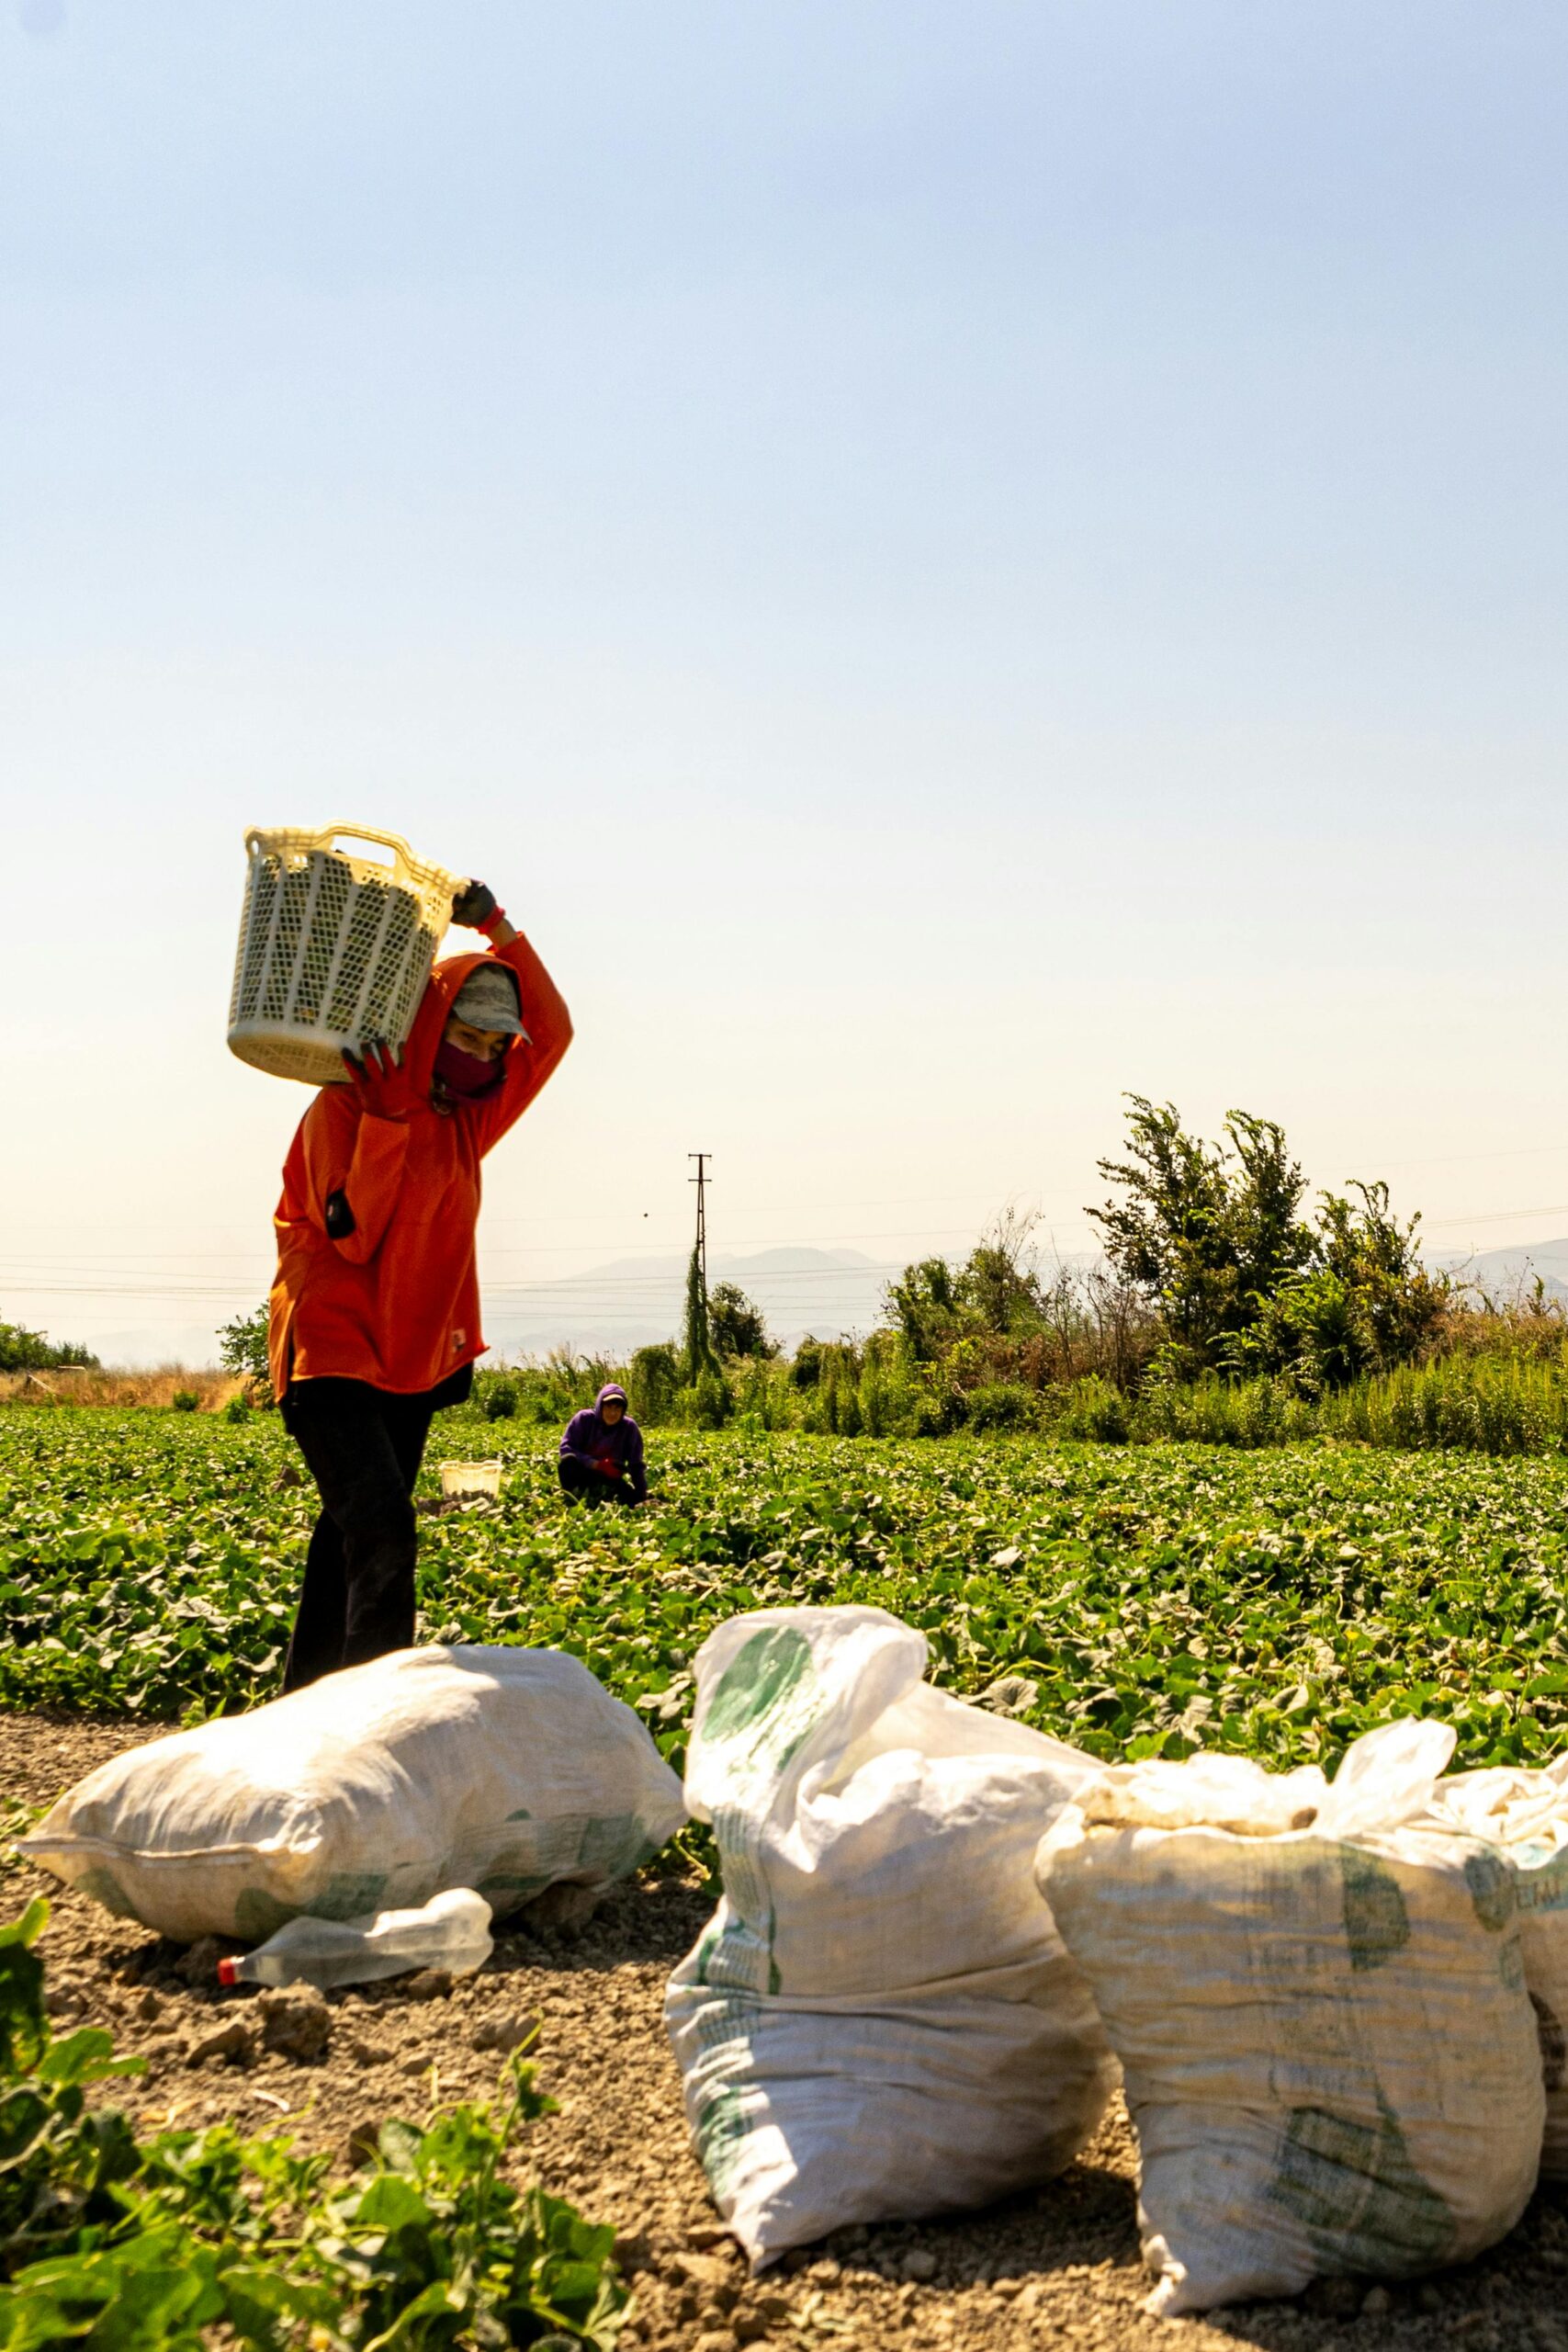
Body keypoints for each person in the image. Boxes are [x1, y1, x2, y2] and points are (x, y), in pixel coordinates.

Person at [269, 879, 571, 1690]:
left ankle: (304, 1703)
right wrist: (388, 1118)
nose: (487, 1055)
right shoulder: (342, 1109)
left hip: (411, 1356)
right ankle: (372, 1721)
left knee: (350, 1538)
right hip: (331, 1354)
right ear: (429, 1027)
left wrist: (498, 928)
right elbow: (354, 1235)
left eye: (494, 1044)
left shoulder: (469, 1118)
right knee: (382, 1530)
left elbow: (555, 1031)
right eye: (468, 1037)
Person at [558, 1383, 648, 1508]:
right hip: (583, 1472)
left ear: (623, 1410)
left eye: (617, 1408)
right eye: (608, 1407)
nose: (612, 1413)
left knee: (634, 1500)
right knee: (567, 1461)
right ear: (600, 1406)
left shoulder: (629, 1427)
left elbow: (636, 1464)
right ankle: (574, 1496)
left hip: (609, 1476)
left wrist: (642, 1492)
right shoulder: (584, 1419)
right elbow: (566, 1448)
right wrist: (596, 1464)